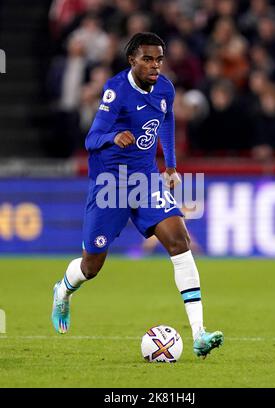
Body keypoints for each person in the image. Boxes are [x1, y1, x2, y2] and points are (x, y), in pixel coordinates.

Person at [51, 32, 224, 358]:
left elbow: (168, 117)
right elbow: (91, 139)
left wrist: (170, 165)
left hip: (146, 181)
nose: (155, 65)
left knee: (179, 241)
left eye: (159, 58)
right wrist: (114, 136)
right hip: (110, 185)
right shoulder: (116, 91)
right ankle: (63, 289)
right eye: (147, 58)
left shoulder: (165, 89)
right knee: (92, 265)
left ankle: (200, 334)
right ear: (132, 60)